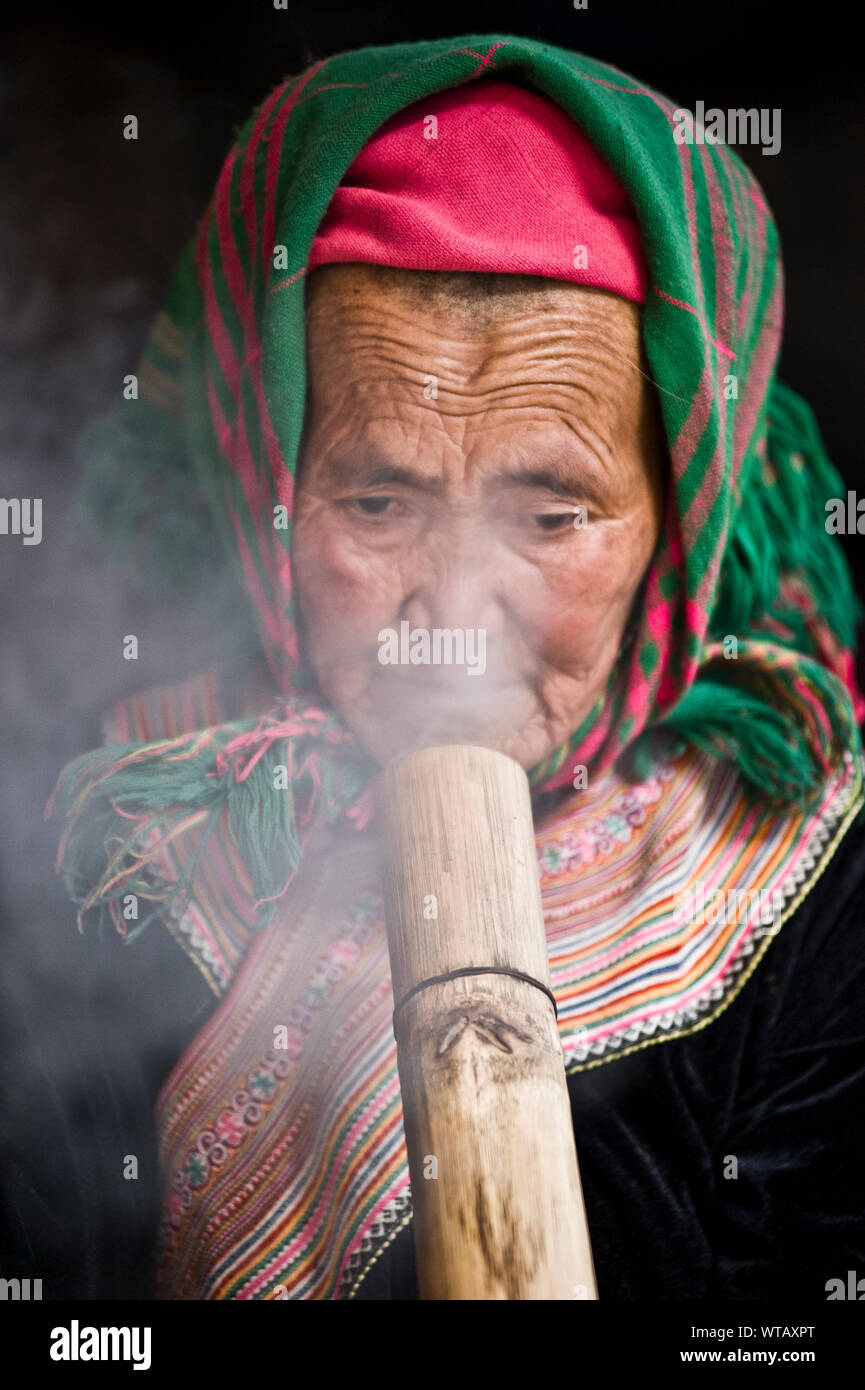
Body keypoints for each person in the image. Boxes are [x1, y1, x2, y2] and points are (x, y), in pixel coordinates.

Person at [46, 33, 865, 1300]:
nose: (456, 611)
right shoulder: (107, 839)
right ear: (262, 474)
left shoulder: (812, 886)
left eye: (552, 518)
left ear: (682, 516)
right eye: (377, 502)